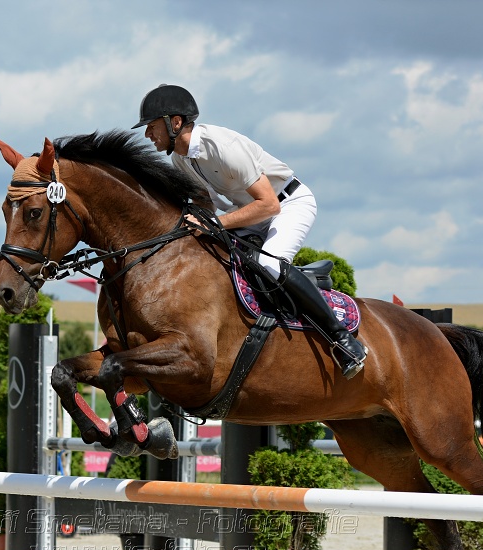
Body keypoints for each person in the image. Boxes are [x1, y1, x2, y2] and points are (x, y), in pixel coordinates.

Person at [132, 84, 367, 379]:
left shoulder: (223, 148)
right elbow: (206, 204)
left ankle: (343, 340)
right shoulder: (180, 159)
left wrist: (215, 225)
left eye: (152, 126)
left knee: (269, 264)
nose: (147, 135)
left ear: (175, 122)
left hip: (288, 203)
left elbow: (268, 204)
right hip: (249, 212)